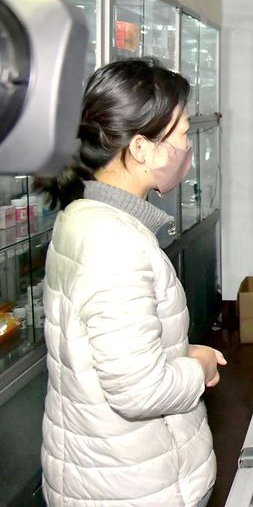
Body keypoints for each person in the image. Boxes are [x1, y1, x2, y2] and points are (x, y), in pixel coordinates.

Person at [35, 59, 223, 506]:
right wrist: (198, 366)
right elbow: (139, 391)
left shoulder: (85, 216)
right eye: (182, 136)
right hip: (131, 486)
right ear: (141, 148)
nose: (187, 148)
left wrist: (176, 356)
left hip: (107, 471)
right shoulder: (115, 245)